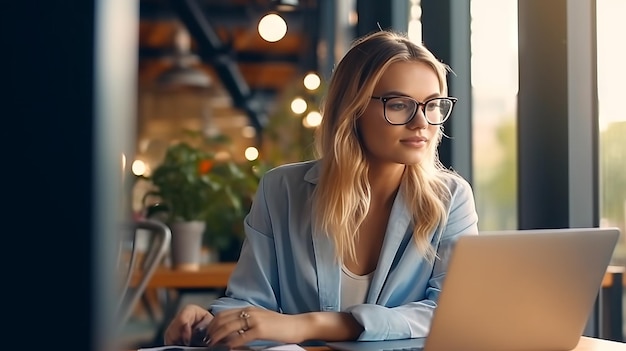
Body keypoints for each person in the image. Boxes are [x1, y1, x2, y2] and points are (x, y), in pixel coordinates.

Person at [164, 29, 479, 348]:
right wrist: (211, 321)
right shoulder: (282, 189)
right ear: (352, 110)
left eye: (433, 105)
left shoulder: (451, 198)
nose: (422, 122)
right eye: (399, 105)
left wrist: (311, 324)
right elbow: (251, 303)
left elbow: (453, 312)